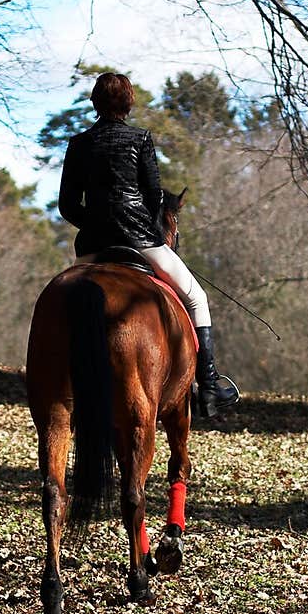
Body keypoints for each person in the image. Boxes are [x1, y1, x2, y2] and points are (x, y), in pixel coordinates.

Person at [57, 70, 239, 418]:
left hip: (93, 245)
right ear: (128, 103)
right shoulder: (140, 139)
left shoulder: (78, 144)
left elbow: (67, 205)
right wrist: (137, 226)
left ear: (95, 103)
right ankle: (211, 386)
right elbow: (155, 196)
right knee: (196, 298)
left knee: (64, 306)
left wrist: (97, 224)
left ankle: (61, 383)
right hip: (139, 239)